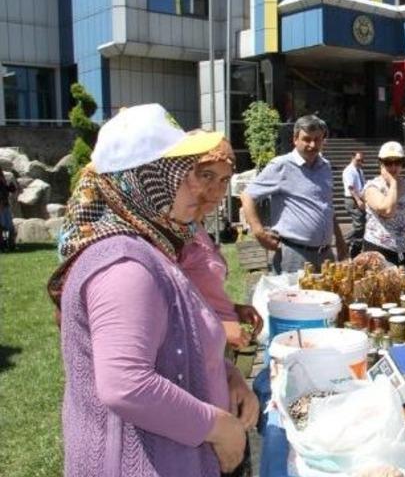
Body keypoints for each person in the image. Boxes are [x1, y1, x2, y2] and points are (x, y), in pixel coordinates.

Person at [47, 104, 258, 476]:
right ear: (141, 181)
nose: (198, 187)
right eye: (181, 174)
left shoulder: (151, 246)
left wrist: (227, 374)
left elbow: (171, 344)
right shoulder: (124, 263)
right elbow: (125, 384)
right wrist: (221, 429)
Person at [178, 137, 263, 350]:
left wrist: (233, 309)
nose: (217, 190)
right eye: (207, 175)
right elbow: (165, 310)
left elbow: (197, 294)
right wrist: (220, 327)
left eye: (224, 180)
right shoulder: (171, 234)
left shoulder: (196, 226)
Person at [239, 114, 347, 274]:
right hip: (294, 254)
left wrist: (340, 240)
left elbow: (327, 207)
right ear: (295, 139)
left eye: (317, 139)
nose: (312, 145)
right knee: (293, 298)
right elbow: (247, 195)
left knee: (326, 298)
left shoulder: (325, 166)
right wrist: (258, 232)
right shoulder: (282, 165)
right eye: (307, 139)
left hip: (325, 254)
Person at [362, 141, 405, 272]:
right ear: (380, 164)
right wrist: (393, 183)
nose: (393, 167)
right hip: (381, 252)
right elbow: (388, 211)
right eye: (388, 162)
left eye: (397, 162)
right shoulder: (372, 187)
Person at [341, 151, 367, 259]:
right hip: (352, 200)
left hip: (360, 198)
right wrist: (358, 200)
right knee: (359, 225)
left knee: (362, 224)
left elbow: (363, 186)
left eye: (362, 160)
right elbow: (350, 188)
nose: (360, 162)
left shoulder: (359, 170)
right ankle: (344, 242)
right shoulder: (349, 171)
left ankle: (354, 248)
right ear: (352, 158)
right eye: (358, 160)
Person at [0, 170, 16, 251]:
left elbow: (11, 190)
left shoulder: (3, 179)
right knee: (1, 226)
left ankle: (11, 244)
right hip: (2, 205)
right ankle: (2, 245)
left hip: (5, 205)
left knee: (10, 227)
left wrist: (10, 186)